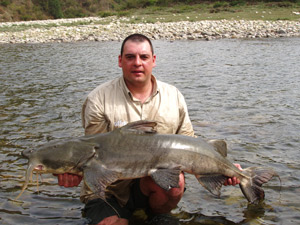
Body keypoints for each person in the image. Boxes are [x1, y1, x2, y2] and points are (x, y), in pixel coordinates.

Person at [56, 33, 241, 225]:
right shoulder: (98, 99)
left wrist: (223, 169)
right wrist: (76, 172)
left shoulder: (174, 96)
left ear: (153, 60)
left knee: (176, 181)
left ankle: (155, 215)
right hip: (109, 191)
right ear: (120, 61)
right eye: (130, 57)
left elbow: (191, 148)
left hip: (154, 183)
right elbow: (92, 154)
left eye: (143, 57)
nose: (137, 63)